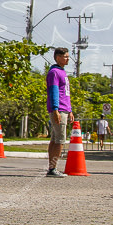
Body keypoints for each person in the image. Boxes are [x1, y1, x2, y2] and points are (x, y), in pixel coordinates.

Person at [45, 47, 73, 178]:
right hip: (59, 109)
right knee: (60, 140)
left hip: (64, 108)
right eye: (65, 56)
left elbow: (65, 93)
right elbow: (54, 92)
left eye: (68, 56)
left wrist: (70, 110)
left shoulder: (63, 72)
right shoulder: (54, 72)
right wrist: (56, 109)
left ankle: (52, 167)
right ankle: (53, 168)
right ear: (58, 57)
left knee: (55, 139)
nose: (68, 59)